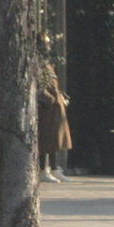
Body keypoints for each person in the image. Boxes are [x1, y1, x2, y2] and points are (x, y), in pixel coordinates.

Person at [37, 51, 71, 181]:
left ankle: (54, 168)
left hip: (55, 108)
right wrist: (50, 99)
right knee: (46, 140)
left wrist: (60, 95)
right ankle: (42, 170)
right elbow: (41, 86)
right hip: (46, 109)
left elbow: (53, 86)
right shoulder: (38, 66)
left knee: (55, 140)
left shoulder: (48, 65)